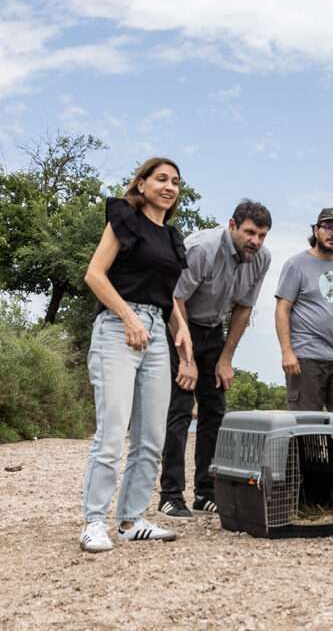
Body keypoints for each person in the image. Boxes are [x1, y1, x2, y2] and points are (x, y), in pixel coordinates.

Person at [79, 157, 196, 552]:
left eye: (176, 182)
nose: (169, 187)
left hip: (157, 334)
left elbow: (167, 298)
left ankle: (131, 520)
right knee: (112, 432)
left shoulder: (173, 238)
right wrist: (128, 316)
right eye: (161, 179)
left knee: (151, 436)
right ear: (142, 183)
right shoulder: (124, 218)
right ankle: (94, 521)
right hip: (117, 327)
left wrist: (183, 335)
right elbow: (94, 274)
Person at [157, 200, 272, 519]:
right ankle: (171, 494)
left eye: (262, 235)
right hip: (179, 323)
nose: (256, 241)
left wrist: (226, 358)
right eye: (250, 233)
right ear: (233, 225)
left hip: (213, 329)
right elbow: (175, 299)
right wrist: (186, 358)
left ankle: (205, 492)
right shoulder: (202, 248)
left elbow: (244, 308)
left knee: (215, 410)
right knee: (180, 408)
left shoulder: (261, 258)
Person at [275, 207, 333, 412]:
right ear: (316, 230)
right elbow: (282, 309)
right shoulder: (296, 265)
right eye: (328, 227)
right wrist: (287, 352)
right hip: (306, 356)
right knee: (307, 428)